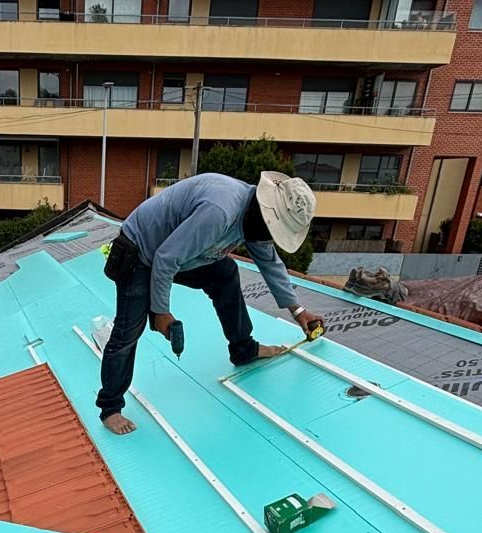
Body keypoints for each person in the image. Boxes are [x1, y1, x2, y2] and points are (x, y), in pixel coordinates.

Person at [96, 170, 321, 435]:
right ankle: (110, 408)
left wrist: (298, 310)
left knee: (225, 273)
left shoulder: (254, 219)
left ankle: (243, 349)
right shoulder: (220, 212)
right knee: (128, 331)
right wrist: (161, 312)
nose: (270, 236)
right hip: (141, 252)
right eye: (272, 229)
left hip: (176, 252)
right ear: (265, 211)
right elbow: (166, 259)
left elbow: (270, 263)